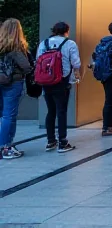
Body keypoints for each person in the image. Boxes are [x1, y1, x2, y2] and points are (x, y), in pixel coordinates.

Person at [37, 22, 81, 152]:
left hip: (46, 81)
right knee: (61, 111)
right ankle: (63, 142)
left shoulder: (44, 43)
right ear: (67, 30)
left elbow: (38, 60)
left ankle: (50, 141)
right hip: (62, 80)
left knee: (51, 111)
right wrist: (76, 76)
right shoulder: (69, 43)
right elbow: (76, 62)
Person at [0, 18, 33, 159]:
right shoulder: (15, 48)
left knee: (3, 114)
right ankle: (5, 147)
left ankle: (5, 144)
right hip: (13, 83)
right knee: (9, 115)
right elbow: (26, 67)